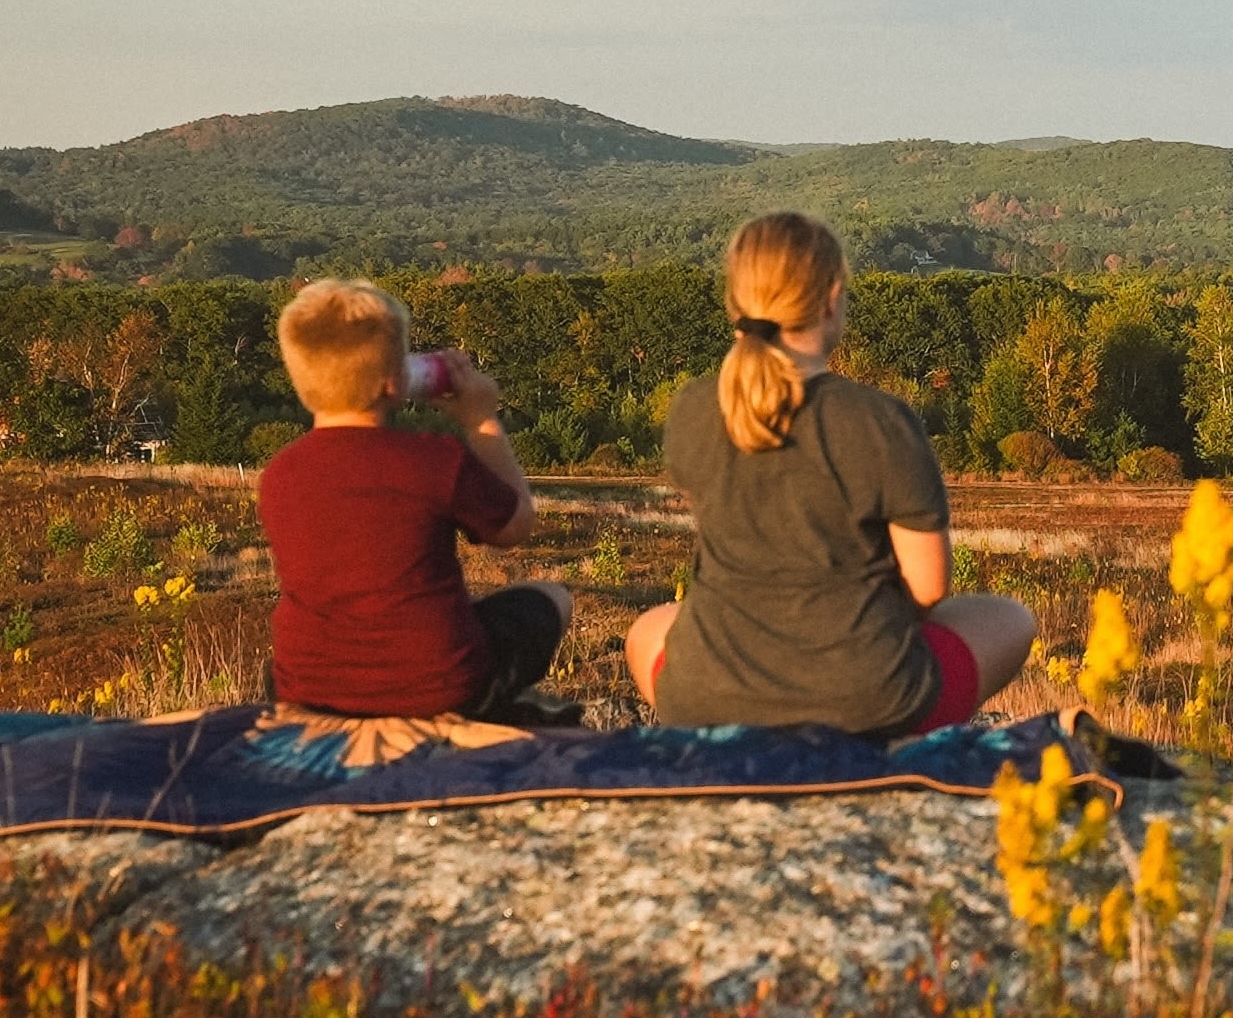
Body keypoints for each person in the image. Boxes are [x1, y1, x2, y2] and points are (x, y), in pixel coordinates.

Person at [627, 213, 1036, 734]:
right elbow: (929, 588)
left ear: (735, 302)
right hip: (870, 704)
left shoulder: (692, 409)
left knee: (648, 629)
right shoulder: (880, 419)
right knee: (1010, 619)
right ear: (831, 297)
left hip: (706, 698)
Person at [257, 278, 575, 721]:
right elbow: (515, 526)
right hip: (440, 685)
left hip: (307, 692)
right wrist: (481, 420)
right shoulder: (433, 459)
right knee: (551, 597)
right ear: (395, 384)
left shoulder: (279, 475)